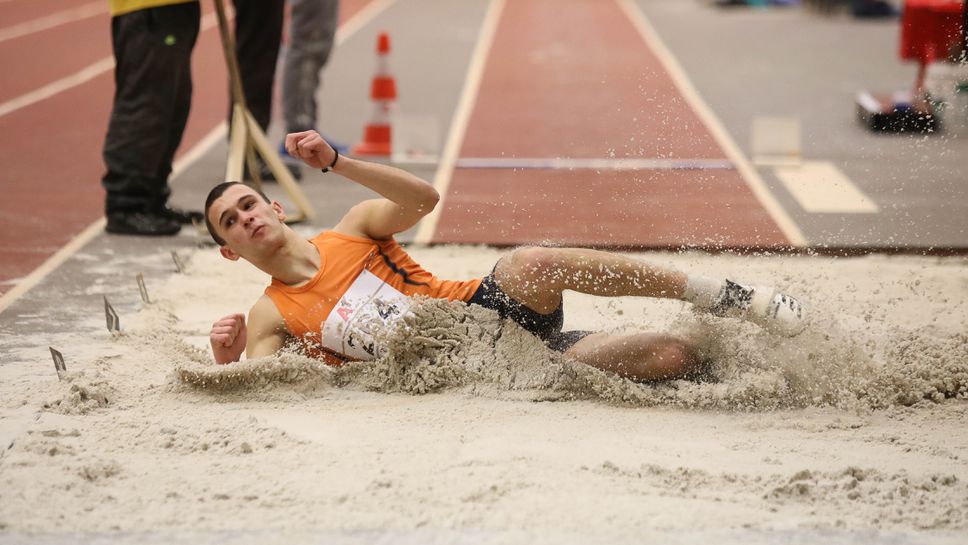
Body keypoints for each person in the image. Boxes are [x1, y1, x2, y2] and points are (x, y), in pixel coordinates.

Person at [206, 131, 806, 382]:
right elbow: (264, 386)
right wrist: (223, 358)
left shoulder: (353, 229)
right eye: (229, 223)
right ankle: (770, 375)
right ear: (230, 252)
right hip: (477, 373)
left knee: (532, 260)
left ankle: (725, 294)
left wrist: (338, 163)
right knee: (671, 354)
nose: (246, 219)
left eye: (250, 205)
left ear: (279, 208)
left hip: (483, 312)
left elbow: (424, 198)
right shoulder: (269, 315)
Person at [102, 0, 204, 236]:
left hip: (173, 8)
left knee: (173, 107)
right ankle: (126, 205)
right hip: (149, 9)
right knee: (147, 108)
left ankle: (152, 199)